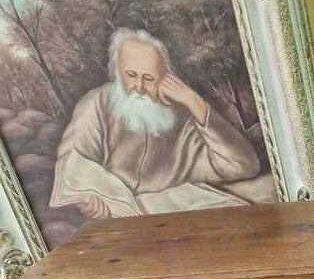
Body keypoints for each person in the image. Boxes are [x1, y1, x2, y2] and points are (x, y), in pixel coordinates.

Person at [50, 28, 264, 218]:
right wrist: (88, 199)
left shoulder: (180, 115)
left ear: (166, 78)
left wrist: (195, 103)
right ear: (117, 72)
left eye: (149, 78)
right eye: (131, 75)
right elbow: (74, 165)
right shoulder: (96, 103)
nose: (139, 87)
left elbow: (243, 166)